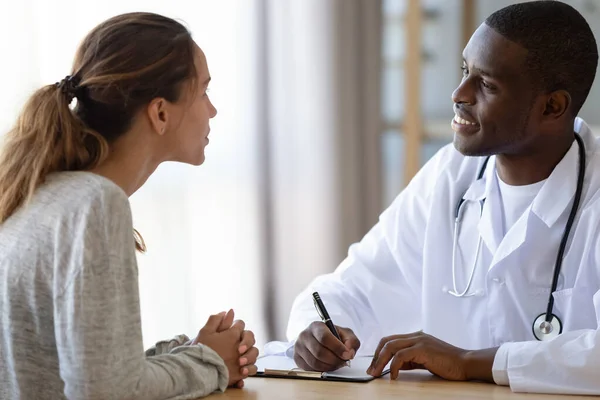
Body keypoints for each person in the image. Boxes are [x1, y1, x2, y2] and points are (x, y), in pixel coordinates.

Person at [287, 1, 600, 395]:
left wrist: (467, 362)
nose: (458, 93)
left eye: (486, 85)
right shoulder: (451, 174)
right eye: (465, 71)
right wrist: (318, 332)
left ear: (552, 107)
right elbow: (352, 288)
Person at [0, 12, 258, 400]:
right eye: (203, 91)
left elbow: (86, 372)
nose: (213, 110)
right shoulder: (96, 203)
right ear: (160, 113)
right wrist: (209, 362)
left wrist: (191, 354)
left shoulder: (40, 191)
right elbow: (106, 392)